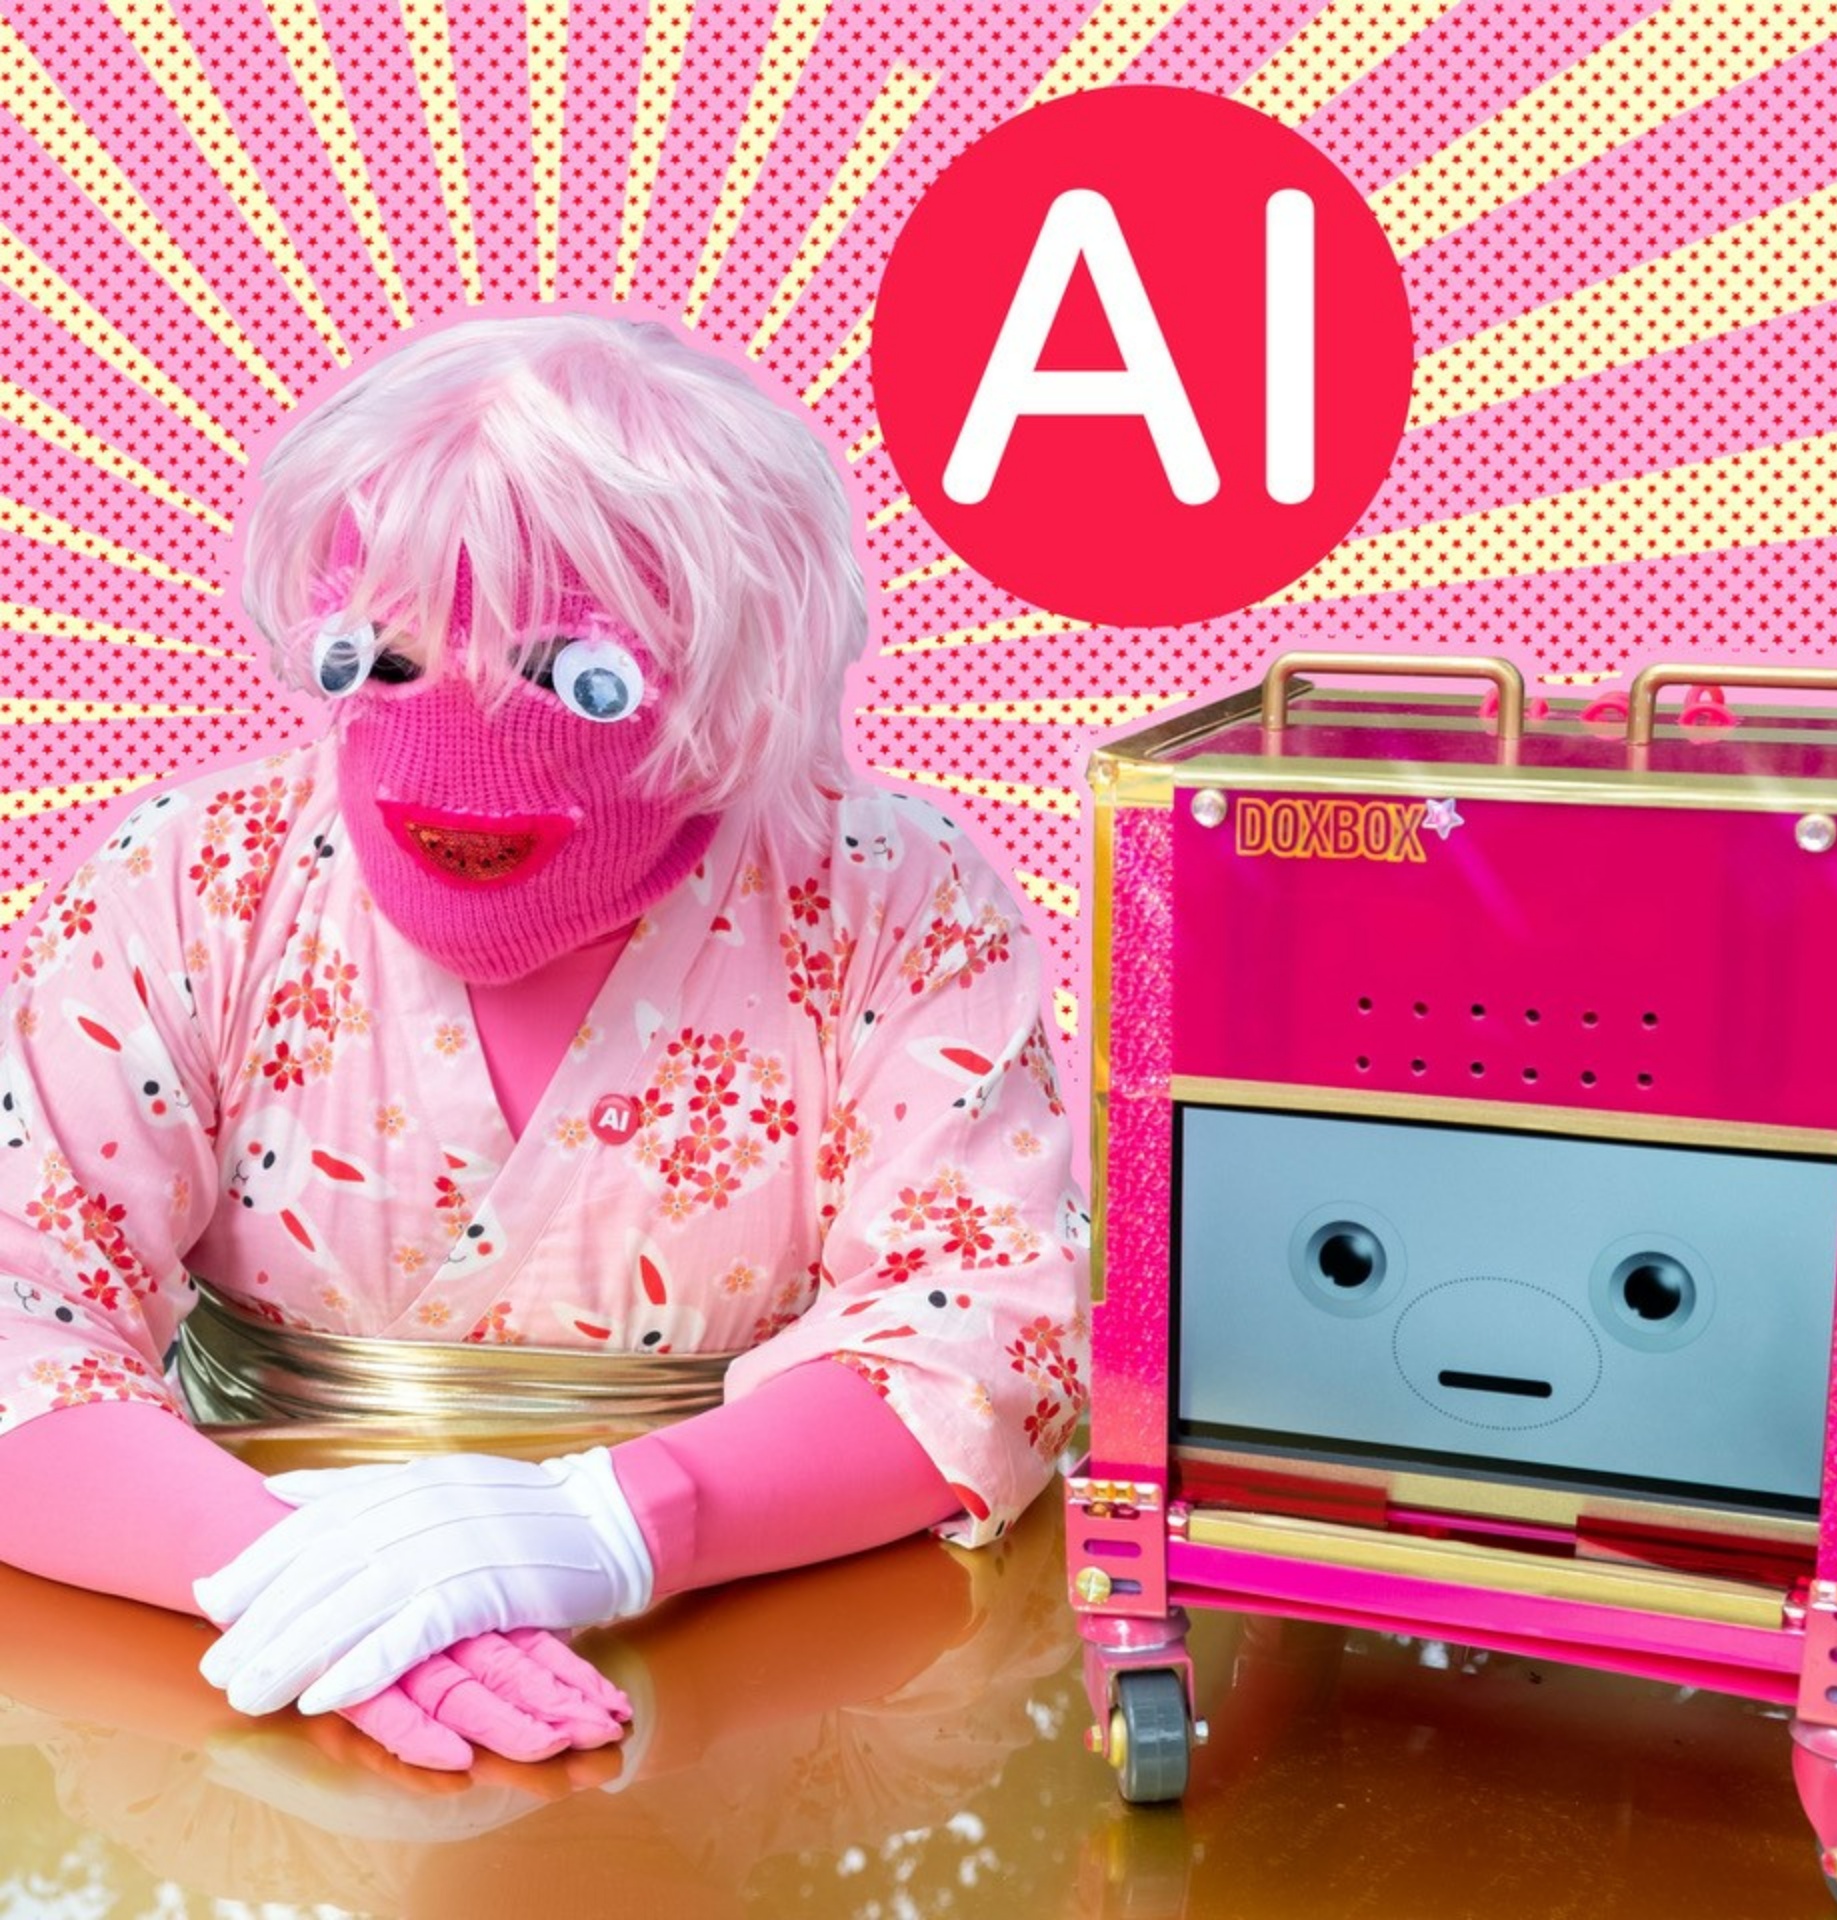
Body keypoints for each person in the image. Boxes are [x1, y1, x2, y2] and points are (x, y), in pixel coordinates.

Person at [0, 315, 1087, 1770]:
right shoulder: (194, 875)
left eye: (574, 680)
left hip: (756, 1644)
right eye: (381, 661)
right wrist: (304, 1583)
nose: (460, 754)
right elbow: (21, 1303)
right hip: (225, 1640)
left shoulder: (890, 893)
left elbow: (989, 1316)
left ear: (740, 665)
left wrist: (618, 1524)